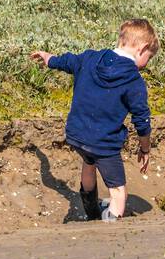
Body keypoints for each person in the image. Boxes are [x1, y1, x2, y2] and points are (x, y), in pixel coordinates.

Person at [30, 19, 157, 221]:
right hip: (104, 143)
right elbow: (141, 120)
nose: (146, 64)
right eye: (149, 58)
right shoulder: (134, 80)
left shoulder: (90, 58)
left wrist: (49, 58)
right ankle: (111, 225)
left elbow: (68, 62)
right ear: (142, 48)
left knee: (89, 162)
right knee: (118, 191)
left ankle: (91, 212)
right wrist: (145, 149)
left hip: (77, 134)